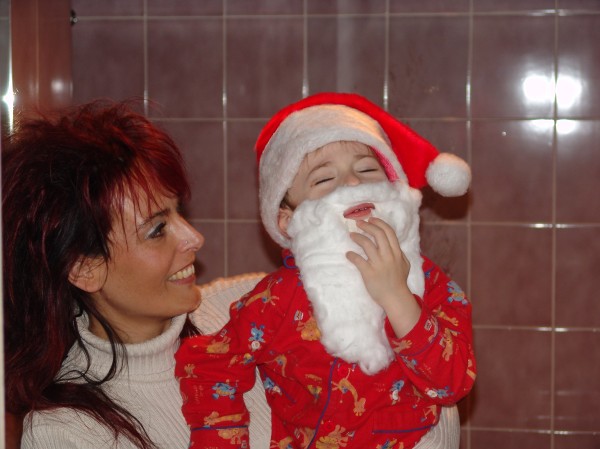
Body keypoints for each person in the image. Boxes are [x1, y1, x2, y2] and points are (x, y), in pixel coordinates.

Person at [175, 92, 477, 449]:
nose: (353, 184)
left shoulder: (430, 282)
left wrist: (399, 297)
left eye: (367, 170)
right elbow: (210, 366)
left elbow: (452, 385)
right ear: (287, 220)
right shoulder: (277, 301)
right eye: (323, 180)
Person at [3, 100, 205, 449]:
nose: (195, 237)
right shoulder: (66, 432)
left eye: (179, 211)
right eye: (157, 230)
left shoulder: (238, 315)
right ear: (85, 269)